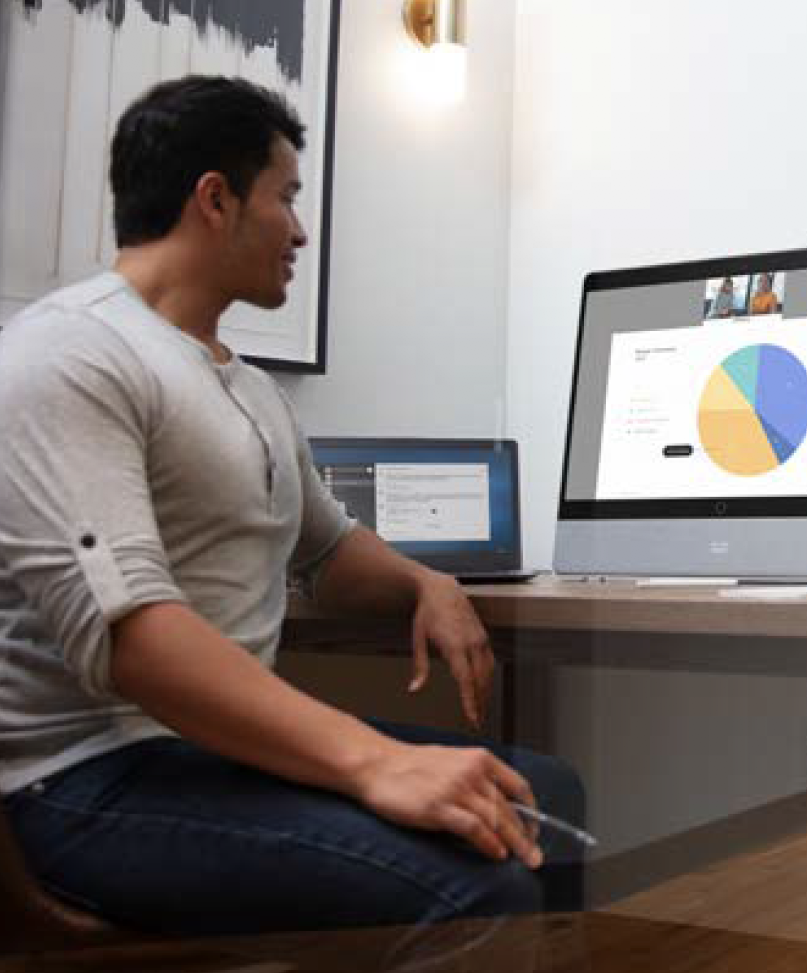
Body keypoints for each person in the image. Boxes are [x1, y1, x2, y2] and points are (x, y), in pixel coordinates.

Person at [0, 76, 584, 940]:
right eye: (287, 197)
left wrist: (426, 583)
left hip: (211, 751)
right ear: (215, 199)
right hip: (85, 777)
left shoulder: (249, 388)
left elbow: (327, 549)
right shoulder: (69, 354)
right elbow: (133, 638)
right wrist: (375, 763)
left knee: (545, 795)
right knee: (478, 880)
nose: (300, 231)